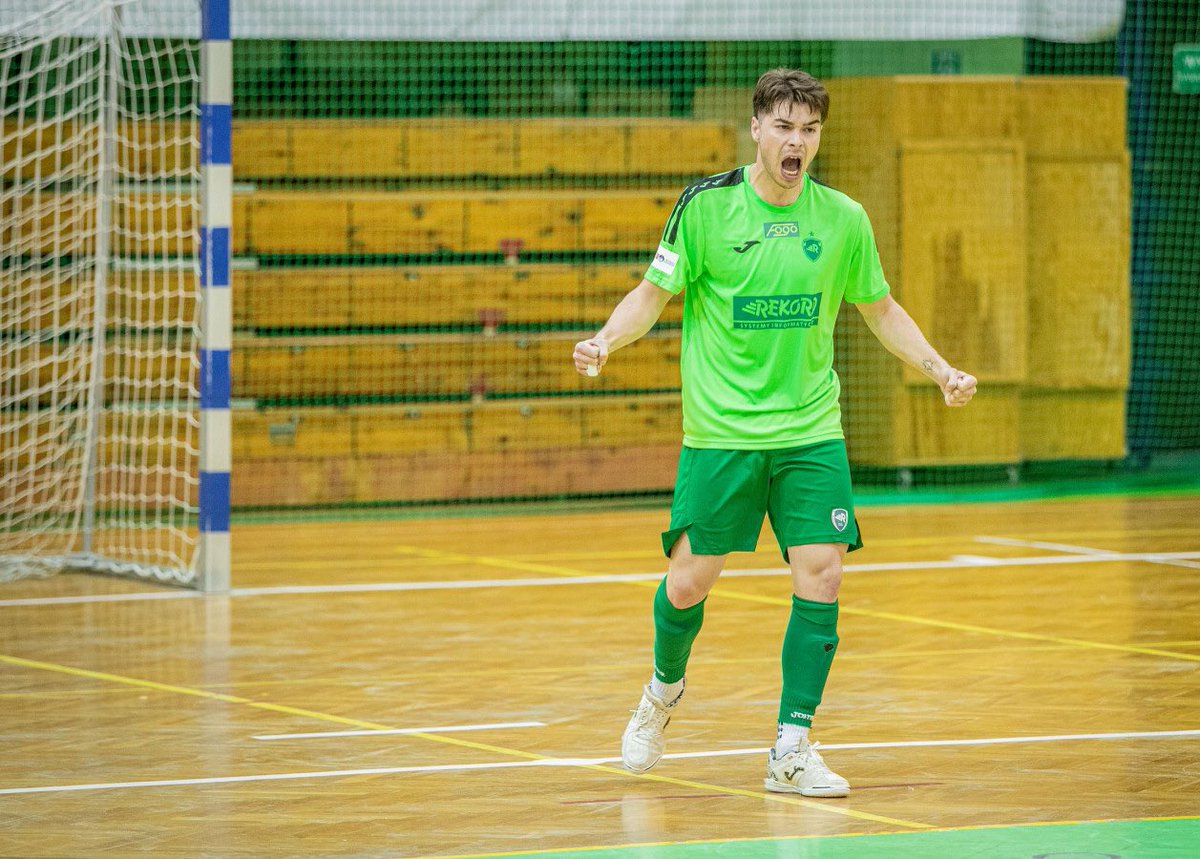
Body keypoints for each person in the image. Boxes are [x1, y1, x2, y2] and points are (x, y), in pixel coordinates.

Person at [571, 68, 976, 798]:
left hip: (810, 431)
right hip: (722, 434)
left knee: (822, 570)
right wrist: (605, 339)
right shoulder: (704, 209)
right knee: (688, 584)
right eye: (784, 126)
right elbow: (653, 293)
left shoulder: (844, 219)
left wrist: (938, 367)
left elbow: (881, 309)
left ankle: (792, 745)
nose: (797, 141)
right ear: (755, 128)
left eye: (810, 130)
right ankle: (661, 693)